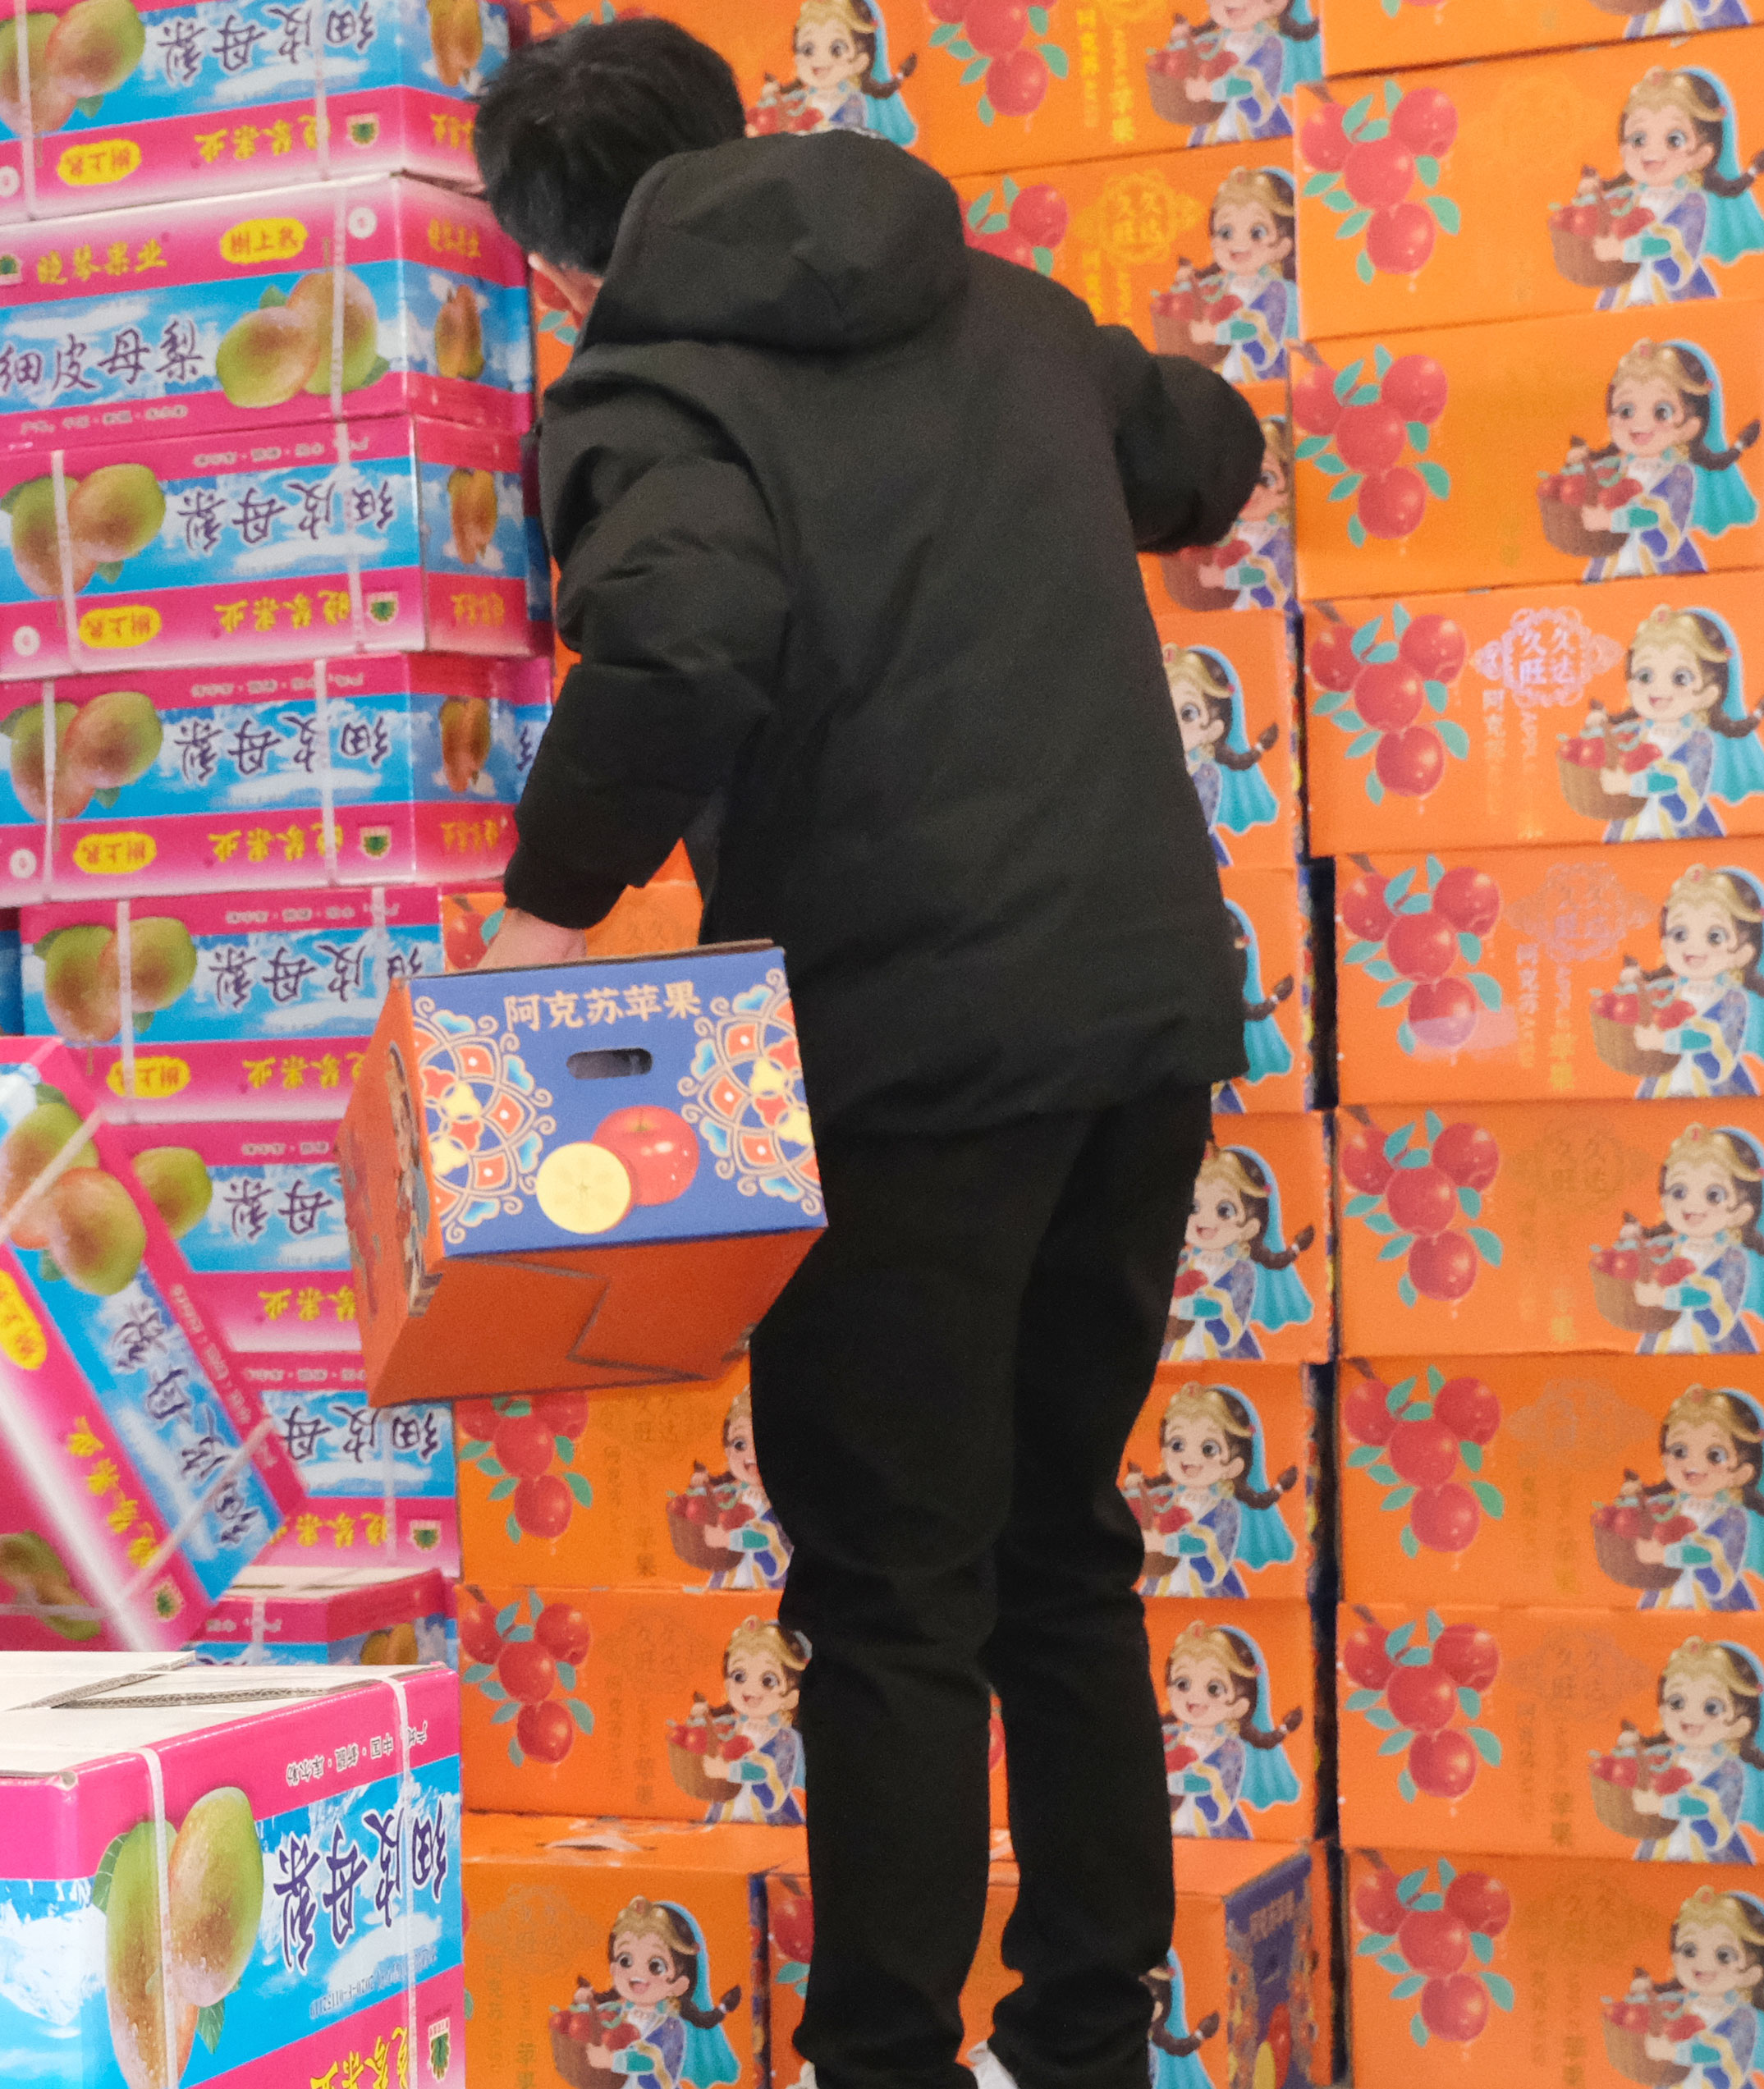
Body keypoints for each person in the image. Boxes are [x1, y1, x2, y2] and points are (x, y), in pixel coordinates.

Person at [470, 21, 1262, 2089]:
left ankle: (883, 2060)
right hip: (1135, 1013)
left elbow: (679, 638)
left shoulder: (644, 393)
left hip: (899, 1047)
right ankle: (1085, 2038)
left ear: (551, 261)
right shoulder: (1000, 307)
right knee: (1061, 1543)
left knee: (892, 1587)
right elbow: (1200, 449)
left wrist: (538, 916)